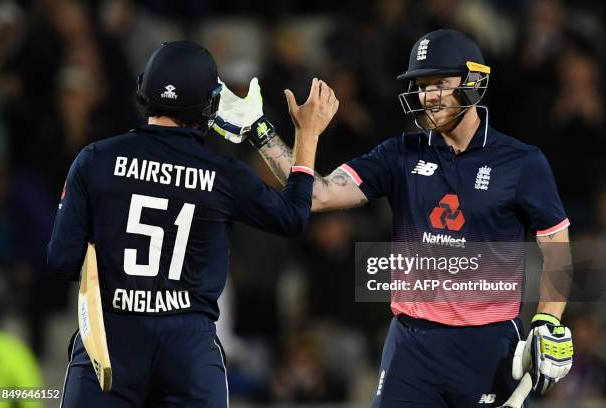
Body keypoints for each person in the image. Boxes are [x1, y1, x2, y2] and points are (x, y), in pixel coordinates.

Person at [215, 29, 574, 407]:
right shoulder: (399, 154)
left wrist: (547, 322)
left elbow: (557, 249)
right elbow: (317, 195)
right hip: (411, 347)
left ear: (474, 81)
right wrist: (264, 132)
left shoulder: (521, 162)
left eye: (440, 83)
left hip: (488, 346)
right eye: (422, 85)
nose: (428, 97)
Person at [46, 40, 338, 407]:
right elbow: (295, 215)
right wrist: (293, 133)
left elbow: (61, 260)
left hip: (112, 336)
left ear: (144, 90)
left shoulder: (95, 159)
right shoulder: (225, 174)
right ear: (210, 105)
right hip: (188, 348)